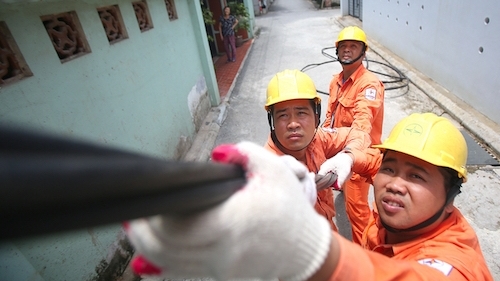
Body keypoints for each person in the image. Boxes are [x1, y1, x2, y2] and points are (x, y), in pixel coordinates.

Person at [125, 112, 493, 281]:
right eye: (392, 169)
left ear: (451, 194)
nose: (395, 183)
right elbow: (370, 162)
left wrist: (307, 246)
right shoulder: (400, 222)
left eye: (417, 176)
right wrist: (350, 162)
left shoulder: (453, 263)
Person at [262, 69, 380, 231]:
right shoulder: (267, 169)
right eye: (283, 115)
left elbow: (358, 134)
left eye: (301, 113)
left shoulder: (317, 139)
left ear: (316, 117)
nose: (293, 124)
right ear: (272, 121)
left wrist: (348, 156)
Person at [322, 26, 385, 244]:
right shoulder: (336, 81)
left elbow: (362, 124)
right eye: (343, 46)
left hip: (358, 158)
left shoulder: (369, 84)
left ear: (363, 52)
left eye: (353, 46)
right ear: (337, 51)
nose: (347, 50)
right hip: (339, 154)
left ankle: (366, 260)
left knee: (358, 214)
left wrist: (350, 155)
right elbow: (329, 117)